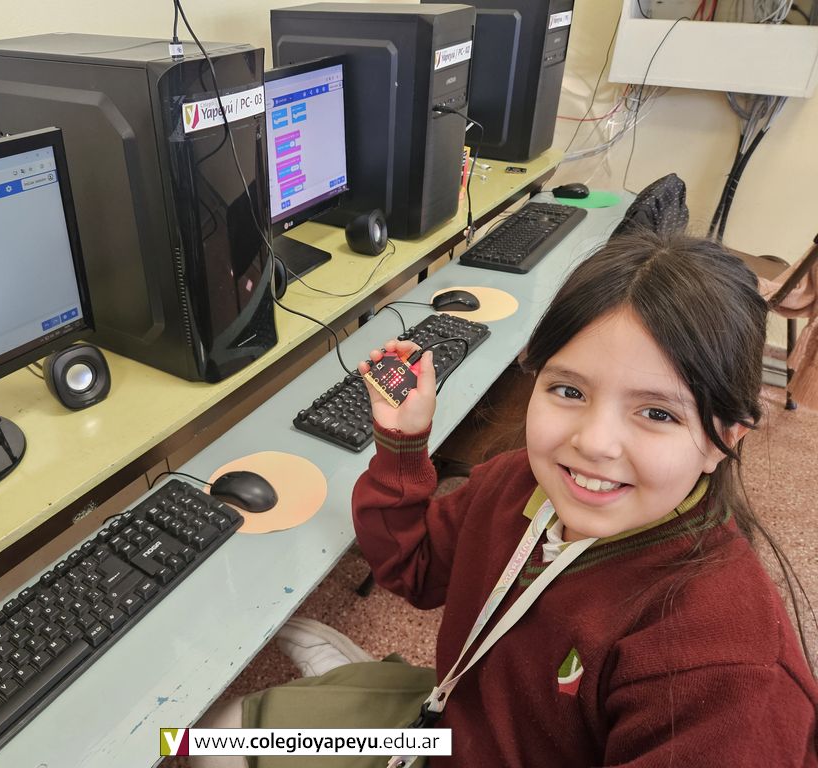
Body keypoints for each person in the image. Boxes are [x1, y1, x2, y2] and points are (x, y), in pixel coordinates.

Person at [196, 231, 818, 767]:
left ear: (723, 440)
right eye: (569, 391)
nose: (593, 443)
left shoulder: (725, 669)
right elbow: (415, 568)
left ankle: (368, 685)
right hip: (450, 726)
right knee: (202, 741)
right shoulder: (518, 482)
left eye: (657, 413)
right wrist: (404, 446)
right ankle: (380, 687)